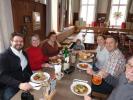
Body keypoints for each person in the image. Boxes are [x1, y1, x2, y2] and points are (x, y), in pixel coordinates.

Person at [0, 32, 33, 100]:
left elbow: (27, 67)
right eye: (16, 41)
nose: (19, 43)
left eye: (21, 41)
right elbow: (2, 76)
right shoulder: (4, 56)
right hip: (10, 85)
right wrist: (19, 84)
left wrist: (32, 76)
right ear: (11, 42)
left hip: (25, 80)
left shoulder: (24, 53)